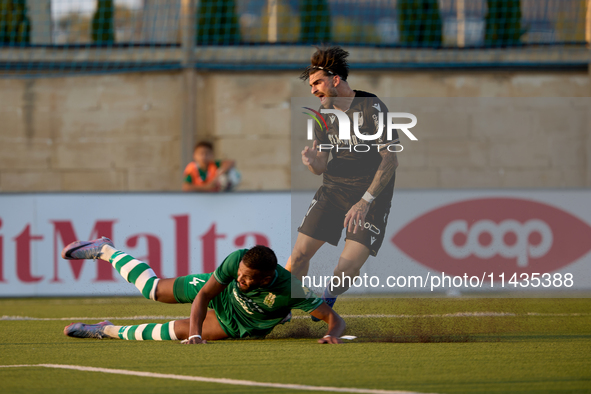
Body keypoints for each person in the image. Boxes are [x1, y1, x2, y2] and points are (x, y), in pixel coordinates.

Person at [286, 46, 399, 318]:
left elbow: (391, 159)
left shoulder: (372, 107)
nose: (313, 90)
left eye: (318, 83)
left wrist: (364, 201)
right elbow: (321, 166)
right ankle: (283, 307)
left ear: (335, 79)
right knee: (299, 256)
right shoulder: (321, 117)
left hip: (371, 198)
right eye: (310, 85)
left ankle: (325, 302)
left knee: (347, 269)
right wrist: (313, 162)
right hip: (332, 190)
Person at [61, 237, 345, 344]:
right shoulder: (237, 261)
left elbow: (335, 319)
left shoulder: (292, 289)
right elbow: (205, 295)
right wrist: (196, 334)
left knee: (171, 331)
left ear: (266, 278)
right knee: (153, 290)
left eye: (247, 279)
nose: (240, 279)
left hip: (237, 324)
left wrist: (331, 334)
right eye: (240, 275)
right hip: (221, 296)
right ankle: (106, 249)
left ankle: (106, 331)